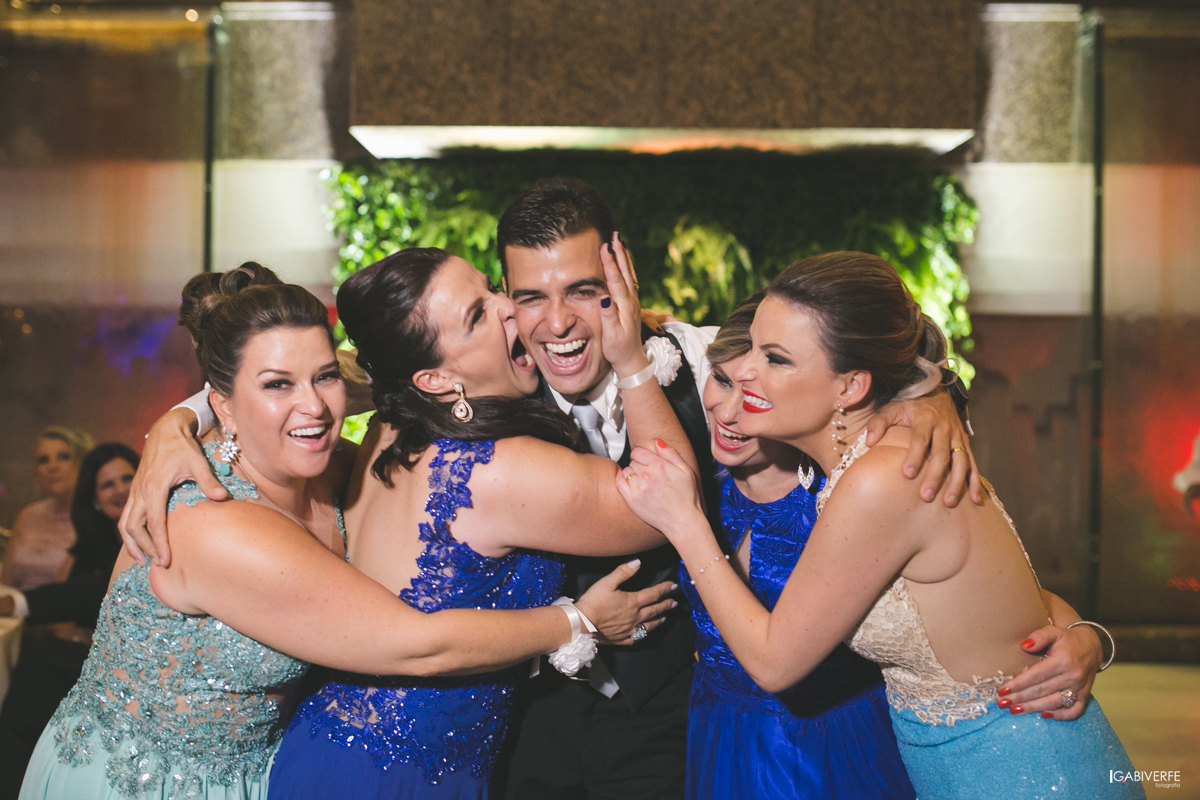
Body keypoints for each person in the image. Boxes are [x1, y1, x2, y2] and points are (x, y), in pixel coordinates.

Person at [19, 264, 669, 800]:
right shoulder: (214, 524)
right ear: (223, 404)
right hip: (142, 783)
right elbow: (415, 643)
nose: (313, 405)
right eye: (278, 384)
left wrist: (176, 421)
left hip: (265, 770)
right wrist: (576, 622)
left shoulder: (331, 469)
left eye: (324, 377)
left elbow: (380, 376)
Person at [491, 179, 978, 800]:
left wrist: (931, 400)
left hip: (672, 729)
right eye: (532, 297)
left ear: (621, 276)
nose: (558, 321)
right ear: (506, 298)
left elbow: (842, 362)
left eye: (584, 291)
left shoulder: (703, 360)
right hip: (525, 724)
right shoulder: (487, 385)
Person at [617, 252, 1142, 800]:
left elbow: (773, 663)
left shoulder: (883, 477)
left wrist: (685, 521)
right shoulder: (873, 460)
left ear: (850, 388)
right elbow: (980, 598)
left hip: (1021, 773)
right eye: (750, 349)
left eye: (775, 358)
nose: (745, 371)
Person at [0, 443, 137, 799]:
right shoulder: (91, 546)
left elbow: (98, 593)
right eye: (107, 484)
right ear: (95, 499)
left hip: (123, 669)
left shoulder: (152, 534)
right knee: (32, 678)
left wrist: (20, 603)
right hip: (72, 653)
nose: (120, 490)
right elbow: (72, 594)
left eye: (127, 478)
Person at [1, 426, 94, 592]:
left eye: (64, 457)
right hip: (15, 605)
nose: (52, 467)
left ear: (83, 462)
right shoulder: (28, 515)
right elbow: (5, 583)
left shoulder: (95, 519)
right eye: (44, 460)